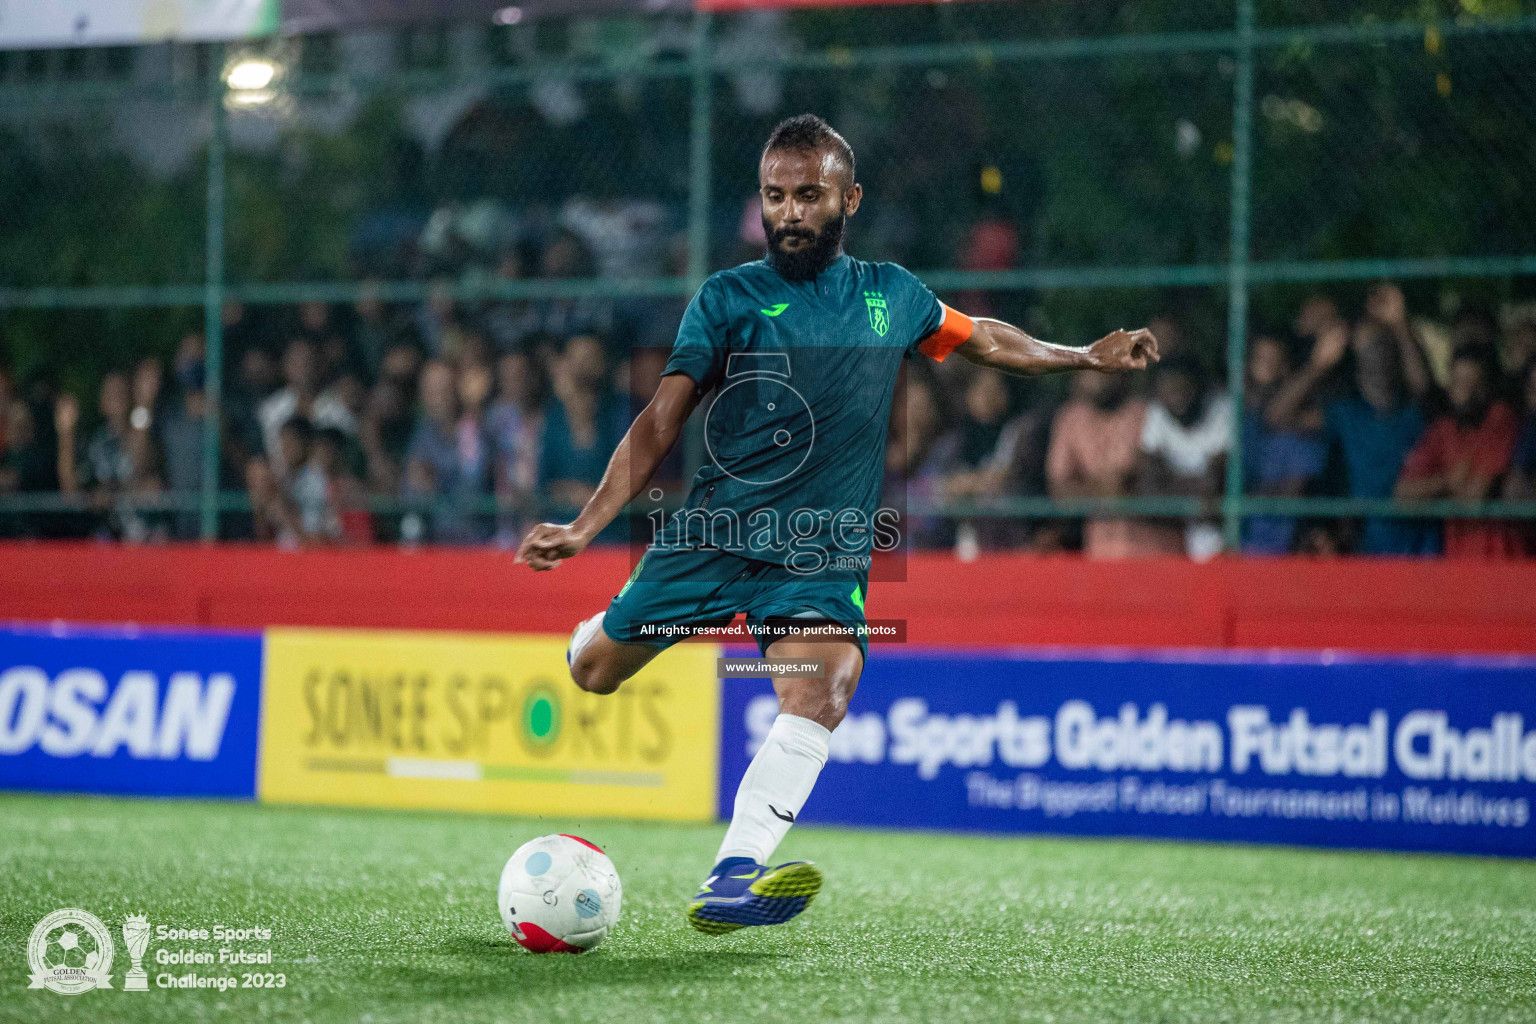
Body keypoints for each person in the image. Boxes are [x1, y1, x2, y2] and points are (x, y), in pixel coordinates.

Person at [515, 115, 1157, 933]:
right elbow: (657, 423)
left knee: (825, 686)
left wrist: (1080, 357)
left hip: (820, 554)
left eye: (808, 195)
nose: (789, 212)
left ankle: (733, 875)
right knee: (595, 672)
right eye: (776, 196)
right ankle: (599, 628)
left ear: (848, 198)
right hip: (712, 540)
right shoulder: (727, 298)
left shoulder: (892, 295)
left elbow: (983, 339)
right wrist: (583, 526)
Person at [1269, 316, 1434, 555]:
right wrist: (1318, 365)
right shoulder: (1347, 414)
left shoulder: (1414, 412)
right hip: (1367, 548)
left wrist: (1400, 326)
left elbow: (1424, 389)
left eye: (1382, 349)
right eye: (1367, 352)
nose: (1377, 361)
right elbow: (1278, 416)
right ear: (1358, 365)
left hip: (1420, 547)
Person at [1395, 345, 1521, 558]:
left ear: (1489, 386)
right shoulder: (1442, 430)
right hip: (1459, 562)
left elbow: (1475, 497)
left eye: (1475, 383)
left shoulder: (1502, 420)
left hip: (1504, 562)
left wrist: (1435, 490)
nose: (1466, 392)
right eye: (1459, 383)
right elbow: (1402, 496)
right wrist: (1447, 482)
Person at [1046, 369, 1157, 558]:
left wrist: (1089, 488)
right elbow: (1059, 490)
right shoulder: (1071, 417)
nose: (1098, 379)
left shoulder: (1147, 412)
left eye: (1106, 370)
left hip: (1153, 549)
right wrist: (1106, 488)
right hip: (1100, 550)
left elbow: (1134, 481)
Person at [1137, 355, 1230, 560]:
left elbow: (1215, 484)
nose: (1177, 395)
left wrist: (1170, 487)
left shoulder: (1222, 408)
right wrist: (1194, 494)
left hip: (1221, 534)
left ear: (1198, 386)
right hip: (1176, 534)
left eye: (1182, 388)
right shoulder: (1157, 413)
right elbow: (1148, 487)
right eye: (1169, 389)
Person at [1242, 335, 1327, 554]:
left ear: (1285, 369)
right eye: (1261, 360)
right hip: (1239, 548)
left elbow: (1290, 496)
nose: (1266, 368)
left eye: (1274, 361)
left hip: (1283, 552)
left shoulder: (1304, 432)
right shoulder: (1238, 420)